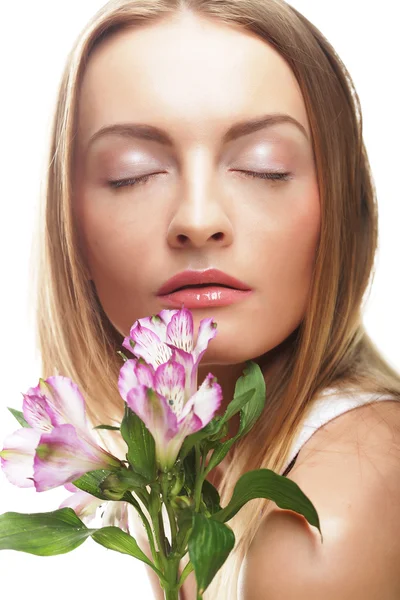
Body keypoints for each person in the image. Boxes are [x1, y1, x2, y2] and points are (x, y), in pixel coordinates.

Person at [31, 0, 400, 598]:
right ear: (70, 231)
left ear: (344, 208)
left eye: (264, 167)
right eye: (133, 172)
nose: (198, 220)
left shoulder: (328, 512)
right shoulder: (199, 474)